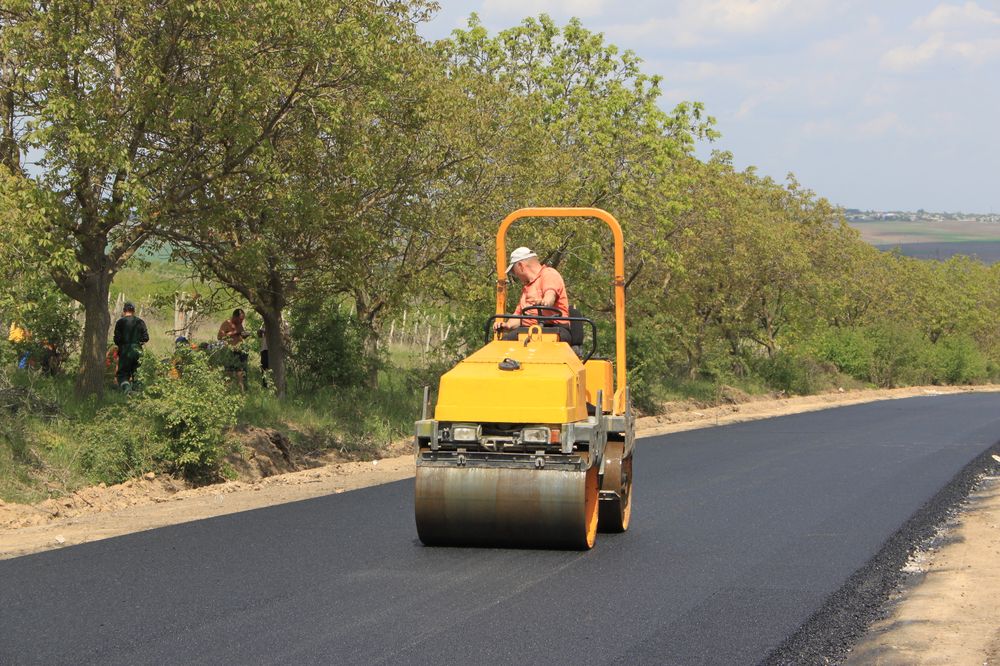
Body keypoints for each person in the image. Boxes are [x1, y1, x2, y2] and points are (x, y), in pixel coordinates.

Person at [493, 246, 572, 342]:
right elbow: (519, 316)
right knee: (502, 344)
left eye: (514, 271)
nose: (515, 275)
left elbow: (550, 295)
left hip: (554, 329)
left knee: (530, 340)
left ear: (521, 266)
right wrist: (507, 325)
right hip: (530, 330)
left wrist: (544, 302)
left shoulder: (549, 274)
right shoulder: (527, 288)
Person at [113, 302, 149, 391]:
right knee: (137, 374)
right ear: (134, 311)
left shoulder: (120, 322)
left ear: (124, 311)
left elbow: (117, 339)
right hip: (137, 351)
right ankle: (138, 393)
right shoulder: (140, 322)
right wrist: (138, 341)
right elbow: (146, 338)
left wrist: (121, 345)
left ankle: (127, 390)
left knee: (123, 375)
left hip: (125, 351)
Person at [218, 308, 249, 389]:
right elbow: (219, 337)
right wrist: (234, 332)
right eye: (240, 319)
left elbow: (240, 335)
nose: (241, 321)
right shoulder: (226, 323)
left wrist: (244, 335)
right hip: (230, 352)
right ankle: (227, 391)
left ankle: (242, 392)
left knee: (241, 374)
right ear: (235, 317)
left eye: (243, 319)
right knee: (229, 374)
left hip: (240, 351)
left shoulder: (239, 325)